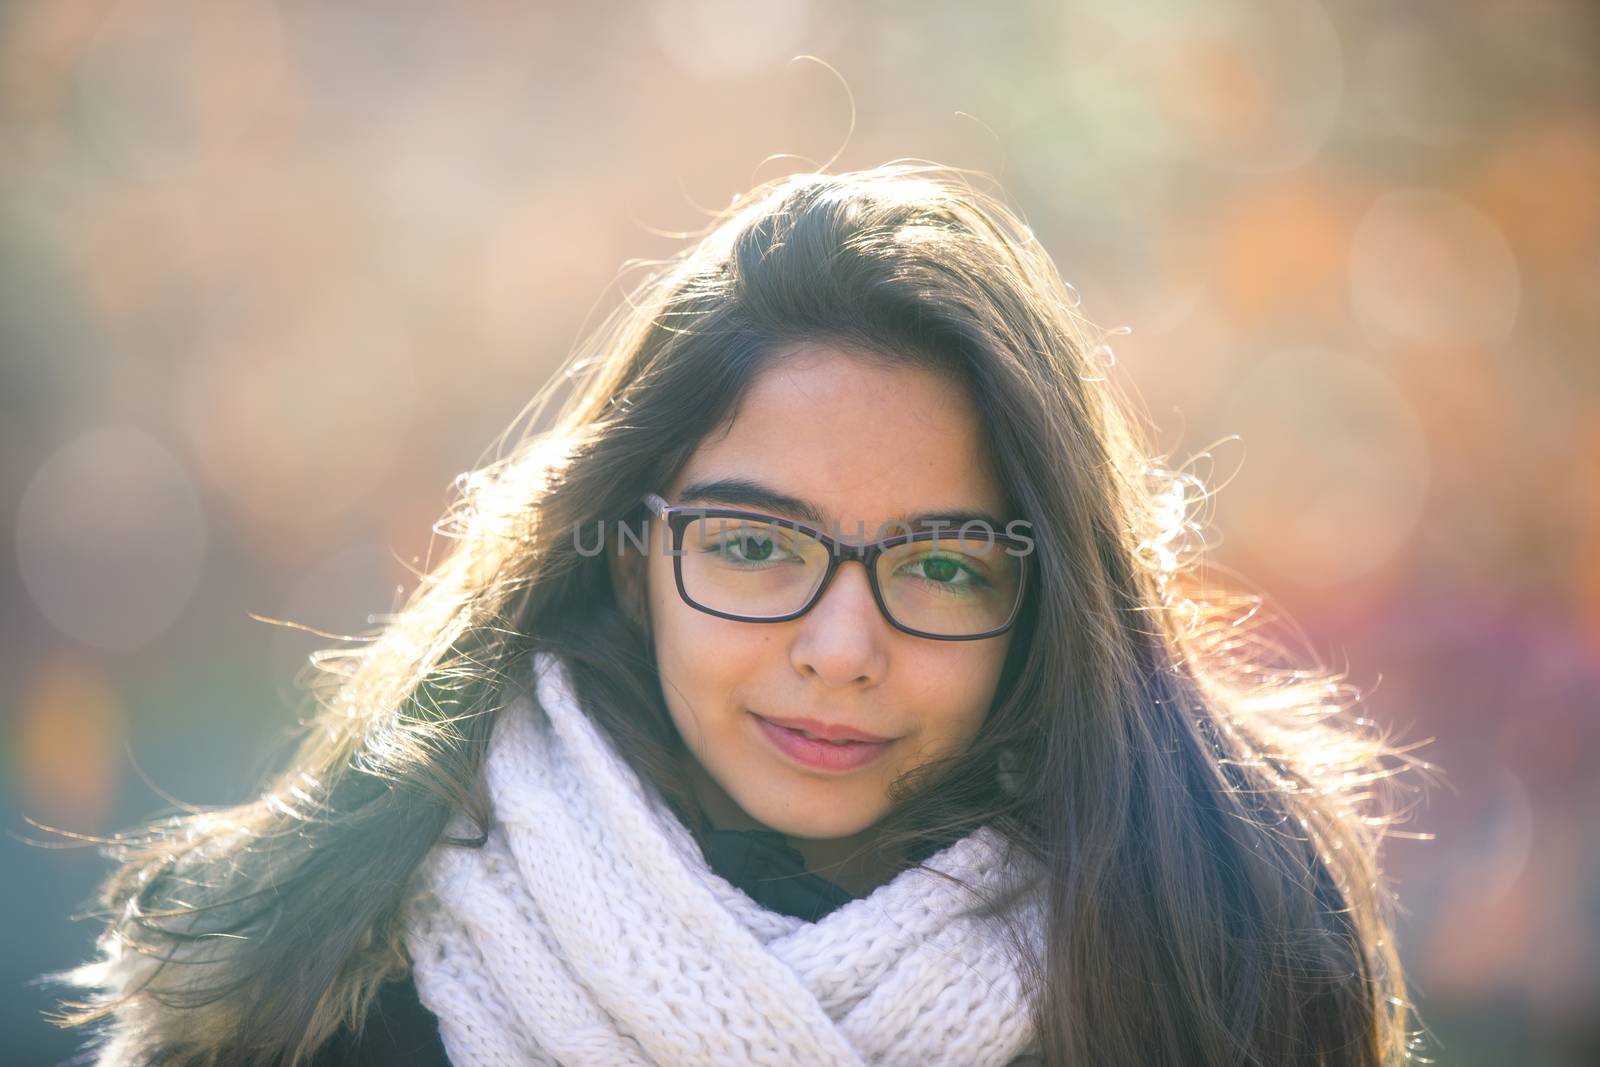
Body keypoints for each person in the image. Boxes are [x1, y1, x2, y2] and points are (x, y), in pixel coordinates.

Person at [51, 163, 1433, 1066]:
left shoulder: (1213, 952)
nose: (841, 649)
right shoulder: (341, 965)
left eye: (946, 566)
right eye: (758, 546)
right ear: (627, 549)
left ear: (1045, 602)